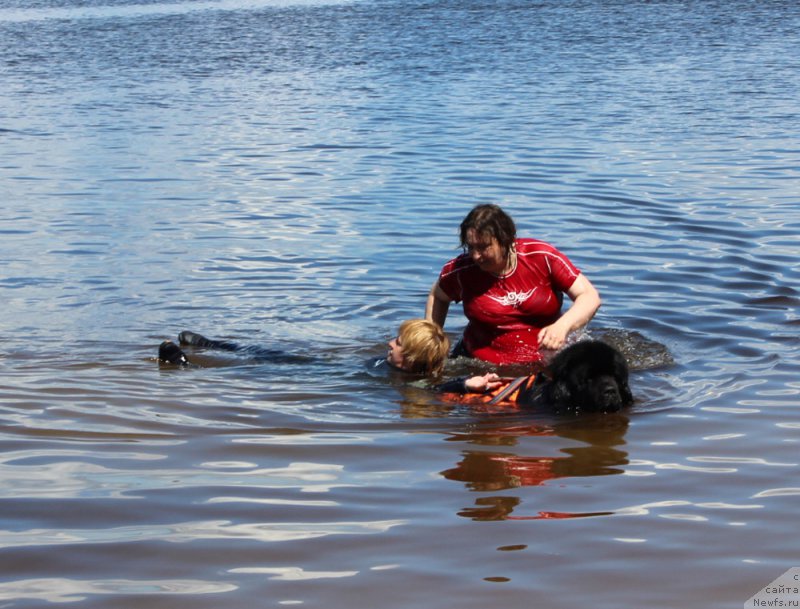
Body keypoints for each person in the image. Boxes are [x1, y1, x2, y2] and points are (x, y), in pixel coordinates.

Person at [425, 204, 601, 365]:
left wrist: (562, 326)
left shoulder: (541, 257)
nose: (476, 256)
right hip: (480, 363)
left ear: (506, 239)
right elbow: (438, 295)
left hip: (545, 359)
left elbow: (589, 297)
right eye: (471, 247)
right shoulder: (461, 270)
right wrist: (431, 343)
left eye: (484, 247)